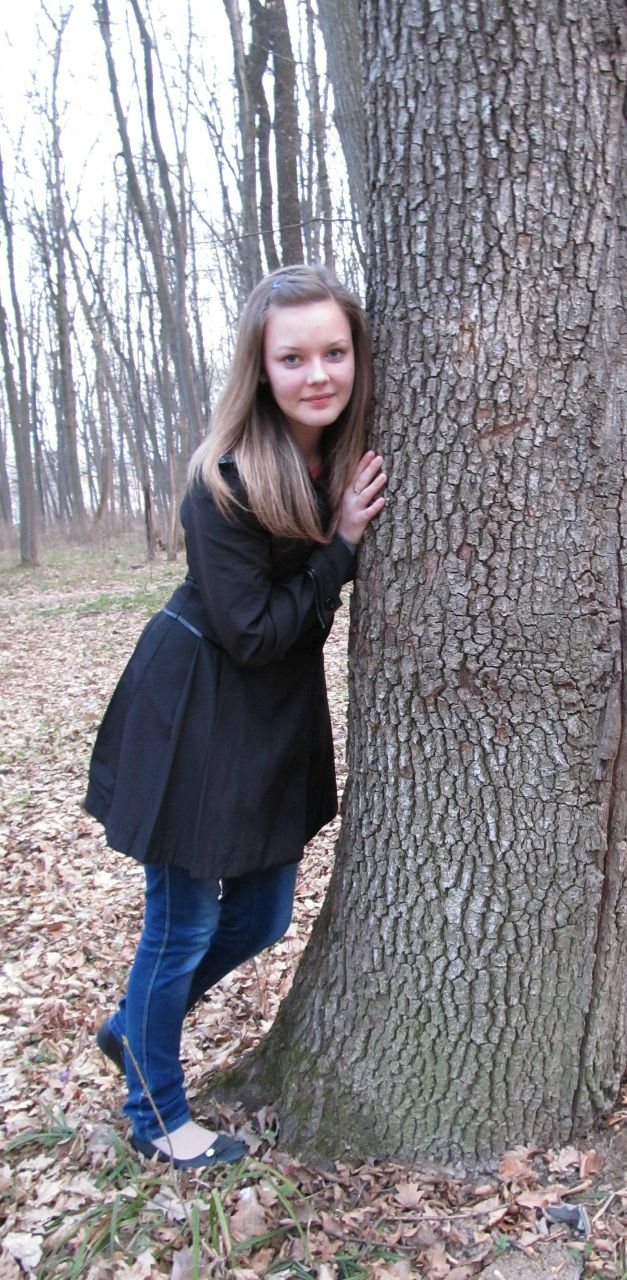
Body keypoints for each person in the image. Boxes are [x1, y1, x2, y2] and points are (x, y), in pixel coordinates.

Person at [86, 264, 386, 1167]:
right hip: (194, 713)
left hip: (265, 720)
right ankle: (157, 1118)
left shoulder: (332, 455)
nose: (318, 374)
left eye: (335, 351)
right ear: (260, 369)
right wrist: (340, 549)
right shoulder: (225, 482)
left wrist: (333, 540)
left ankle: (138, 1025)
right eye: (293, 358)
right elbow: (253, 634)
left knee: (260, 917)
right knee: (179, 927)